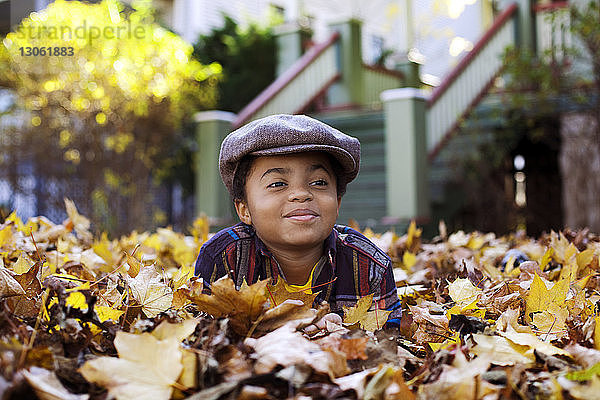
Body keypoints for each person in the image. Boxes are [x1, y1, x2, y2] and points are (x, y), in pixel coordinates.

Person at [194, 114, 401, 327]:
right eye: (277, 184)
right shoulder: (223, 259)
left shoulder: (368, 265)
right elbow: (204, 335)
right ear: (244, 209)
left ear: (337, 202)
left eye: (319, 182)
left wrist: (346, 334)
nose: (301, 194)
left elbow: (388, 344)